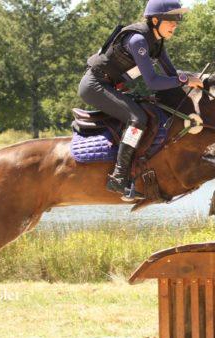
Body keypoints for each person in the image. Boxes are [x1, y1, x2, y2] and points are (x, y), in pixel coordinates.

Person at [78, 0, 203, 201]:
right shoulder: (137, 40)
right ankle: (118, 177)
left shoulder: (157, 43)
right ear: (155, 20)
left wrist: (197, 78)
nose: (175, 25)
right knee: (137, 117)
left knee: (149, 111)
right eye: (171, 20)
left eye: (177, 21)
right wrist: (185, 79)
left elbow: (172, 74)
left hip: (109, 86)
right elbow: (153, 82)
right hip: (94, 86)